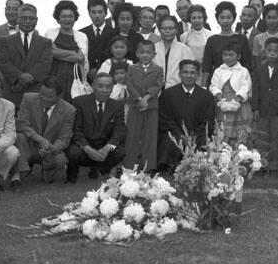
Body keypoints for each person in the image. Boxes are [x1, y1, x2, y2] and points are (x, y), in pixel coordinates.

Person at [13, 76, 76, 186]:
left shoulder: (69, 110)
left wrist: (51, 148)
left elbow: (64, 138)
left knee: (60, 160)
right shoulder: (28, 98)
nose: (44, 99)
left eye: (49, 97)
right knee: (19, 137)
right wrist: (40, 139)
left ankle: (45, 169)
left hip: (49, 149)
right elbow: (21, 124)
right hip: (30, 142)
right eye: (41, 94)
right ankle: (21, 171)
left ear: (59, 96)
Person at [66, 72, 127, 182]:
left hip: (104, 147)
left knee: (120, 151)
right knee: (73, 151)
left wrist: (108, 147)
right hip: (84, 147)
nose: (104, 90)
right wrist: (87, 148)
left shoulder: (117, 106)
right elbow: (76, 129)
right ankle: (72, 174)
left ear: (112, 88)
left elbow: (120, 130)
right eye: (100, 86)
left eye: (108, 87)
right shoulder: (79, 102)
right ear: (93, 86)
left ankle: (101, 169)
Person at [157, 60, 215, 171]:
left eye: (192, 73)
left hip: (198, 134)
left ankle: (198, 167)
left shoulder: (207, 96)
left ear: (198, 75)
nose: (189, 75)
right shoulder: (168, 94)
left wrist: (193, 135)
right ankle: (169, 167)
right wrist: (180, 135)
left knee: (203, 142)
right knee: (169, 141)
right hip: (174, 133)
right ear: (179, 74)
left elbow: (208, 121)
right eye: (185, 72)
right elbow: (164, 119)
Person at [250, 37, 278, 175]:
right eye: (269, 50)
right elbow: (256, 89)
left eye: (275, 51)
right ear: (264, 52)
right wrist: (255, 108)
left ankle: (274, 164)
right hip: (263, 109)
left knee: (276, 137)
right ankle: (262, 163)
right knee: (262, 137)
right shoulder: (259, 69)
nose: (272, 53)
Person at [0, 3, 54, 108]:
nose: (27, 21)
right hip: (11, 93)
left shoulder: (46, 42)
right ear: (18, 19)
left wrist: (22, 83)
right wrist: (19, 76)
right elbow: (2, 62)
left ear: (36, 20)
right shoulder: (5, 41)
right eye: (24, 18)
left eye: (31, 18)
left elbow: (45, 65)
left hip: (35, 94)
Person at [122, 40, 164, 172]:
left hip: (151, 107)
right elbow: (129, 85)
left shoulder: (158, 69)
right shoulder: (132, 68)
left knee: (150, 137)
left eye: (148, 52)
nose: (145, 55)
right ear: (137, 54)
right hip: (135, 105)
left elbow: (157, 86)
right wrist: (139, 99)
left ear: (154, 54)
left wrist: (146, 98)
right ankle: (129, 166)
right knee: (132, 135)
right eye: (142, 52)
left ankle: (148, 166)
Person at [46, 0, 89, 103]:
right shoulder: (50, 33)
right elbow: (50, 53)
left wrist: (58, 53)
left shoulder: (82, 36)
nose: (67, 19)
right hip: (53, 77)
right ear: (58, 18)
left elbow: (81, 58)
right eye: (64, 16)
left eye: (70, 16)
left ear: (75, 18)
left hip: (74, 80)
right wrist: (73, 54)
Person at [210, 42, 253, 144]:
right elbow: (213, 86)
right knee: (223, 129)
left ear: (238, 56)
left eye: (231, 55)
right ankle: (223, 151)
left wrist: (237, 99)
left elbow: (246, 86)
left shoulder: (243, 71)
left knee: (239, 131)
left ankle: (240, 151)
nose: (227, 58)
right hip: (222, 104)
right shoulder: (218, 71)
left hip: (239, 104)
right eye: (225, 55)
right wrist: (219, 97)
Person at [202, 1, 253, 85]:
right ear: (217, 19)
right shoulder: (212, 40)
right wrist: (203, 86)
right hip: (217, 82)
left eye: (228, 18)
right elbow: (207, 67)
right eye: (222, 18)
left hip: (239, 82)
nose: (225, 21)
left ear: (234, 19)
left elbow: (247, 65)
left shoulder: (242, 38)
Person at [154, 15, 195, 89]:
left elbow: (191, 73)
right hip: (155, 91)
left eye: (171, 28)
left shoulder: (184, 49)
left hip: (178, 91)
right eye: (164, 28)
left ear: (176, 29)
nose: (167, 31)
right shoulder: (153, 48)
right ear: (159, 30)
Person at [180, 4, 213, 85]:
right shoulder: (184, 36)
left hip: (205, 72)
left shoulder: (211, 36)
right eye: (194, 18)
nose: (197, 20)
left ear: (204, 18)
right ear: (189, 19)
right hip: (189, 72)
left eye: (199, 18)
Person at [0, 0, 23, 75]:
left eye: (15, 9)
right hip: (0, 77)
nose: (11, 12)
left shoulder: (32, 32)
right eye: (8, 8)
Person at [80, 0, 114, 72]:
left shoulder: (114, 33)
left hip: (108, 74)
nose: (97, 15)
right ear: (89, 13)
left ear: (105, 13)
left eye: (100, 12)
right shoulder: (81, 33)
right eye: (93, 12)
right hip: (86, 75)